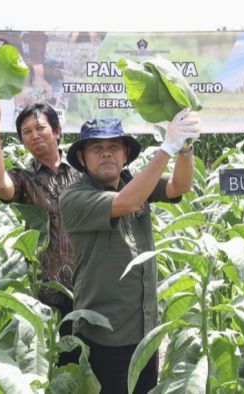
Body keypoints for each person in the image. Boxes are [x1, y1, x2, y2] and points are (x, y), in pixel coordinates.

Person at [59, 111, 200, 393]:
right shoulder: (74, 197)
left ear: (125, 155)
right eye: (96, 149)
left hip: (144, 328)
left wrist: (184, 150)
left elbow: (179, 186)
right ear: (82, 159)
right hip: (105, 333)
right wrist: (166, 148)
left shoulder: (134, 183)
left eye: (114, 147)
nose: (106, 154)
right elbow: (126, 201)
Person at [0, 97, 81, 365]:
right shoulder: (25, 180)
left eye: (40, 128)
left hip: (90, 288)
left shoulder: (83, 172)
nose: (34, 135)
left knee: (90, 366)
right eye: (26, 132)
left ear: (57, 131)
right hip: (47, 292)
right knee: (55, 365)